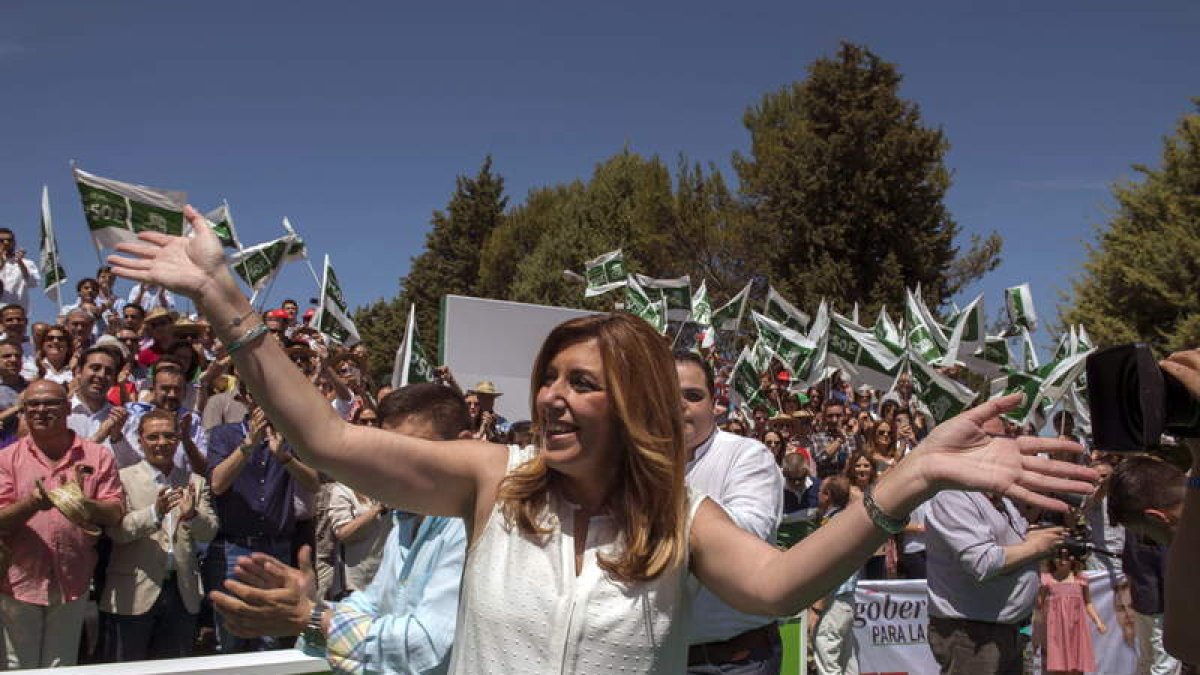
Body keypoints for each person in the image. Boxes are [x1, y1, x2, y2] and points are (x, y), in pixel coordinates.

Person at [108, 208, 1097, 673]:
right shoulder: (493, 478)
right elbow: (321, 436)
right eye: (549, 377)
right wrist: (224, 297)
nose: (554, 397)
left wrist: (912, 476)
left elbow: (779, 588)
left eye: (583, 382)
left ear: (631, 407)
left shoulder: (678, 516)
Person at [212, 383, 473, 675]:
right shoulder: (405, 520)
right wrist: (311, 608)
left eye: (416, 451)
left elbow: (425, 646)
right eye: (389, 452)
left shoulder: (470, 529)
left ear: (464, 445)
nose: (396, 467)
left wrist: (310, 617)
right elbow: (372, 604)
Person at [0, 379, 125, 668]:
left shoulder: (97, 456)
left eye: (51, 403)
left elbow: (116, 511)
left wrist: (83, 505)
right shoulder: (6, 459)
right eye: (33, 405)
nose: (41, 410)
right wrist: (34, 503)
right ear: (23, 411)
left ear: (68, 408)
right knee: (17, 666)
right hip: (18, 582)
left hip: (72, 579)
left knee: (61, 666)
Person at [675, 351, 785, 674]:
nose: (679, 404)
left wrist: (661, 504)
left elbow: (745, 538)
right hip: (663, 657)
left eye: (693, 395)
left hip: (733, 661)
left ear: (714, 403)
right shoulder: (638, 465)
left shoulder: (748, 456)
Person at [204, 382, 321, 653]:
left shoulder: (292, 437)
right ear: (245, 397)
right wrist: (248, 445)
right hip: (234, 546)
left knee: (269, 637)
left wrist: (286, 458)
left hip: (275, 547)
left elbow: (314, 483)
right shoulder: (225, 434)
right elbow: (218, 484)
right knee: (230, 633)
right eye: (259, 394)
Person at [924, 459, 1069, 675]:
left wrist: (1041, 537)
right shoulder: (952, 496)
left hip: (1006, 629)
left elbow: (1016, 542)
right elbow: (983, 563)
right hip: (972, 634)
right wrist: (1038, 546)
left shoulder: (999, 498)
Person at [100, 410, 218, 661]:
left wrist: (192, 516)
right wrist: (155, 513)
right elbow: (117, 532)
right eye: (153, 437)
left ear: (177, 439)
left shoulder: (195, 482)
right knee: (127, 667)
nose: (162, 443)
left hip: (181, 591)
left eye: (168, 436)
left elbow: (209, 532)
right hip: (133, 591)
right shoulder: (122, 478)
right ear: (140, 440)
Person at [809, 475, 859, 675]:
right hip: (846, 600)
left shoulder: (832, 525)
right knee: (847, 658)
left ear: (827, 496)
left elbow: (829, 569)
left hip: (834, 601)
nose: (818, 494)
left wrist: (817, 607)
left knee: (826, 655)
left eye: (820, 490)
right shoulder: (846, 521)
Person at [120, 365, 209, 474]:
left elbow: (203, 469)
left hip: (182, 485)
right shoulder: (135, 418)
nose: (172, 395)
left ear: (185, 392)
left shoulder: (192, 421)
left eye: (177, 389)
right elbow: (126, 461)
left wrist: (186, 440)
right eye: (165, 389)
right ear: (153, 390)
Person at [1034, 548, 1105, 675]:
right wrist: (1037, 631)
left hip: (1076, 629)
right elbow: (1039, 607)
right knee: (1056, 667)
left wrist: (1098, 621)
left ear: (1073, 558)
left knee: (1076, 666)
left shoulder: (1081, 580)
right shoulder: (1048, 579)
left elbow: (1088, 603)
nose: (1062, 561)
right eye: (1058, 557)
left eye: (1066, 557)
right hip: (1055, 630)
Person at [0, 227, 39, 312]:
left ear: (14, 242)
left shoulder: (27, 263)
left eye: (9, 240)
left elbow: (33, 283)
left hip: (17, 314)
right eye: (1, 241)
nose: (6, 243)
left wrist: (20, 263)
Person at [0, 341, 29, 448]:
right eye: (7, 356)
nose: (14, 359)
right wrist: (17, 407)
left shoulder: (31, 387)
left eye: (17, 356)